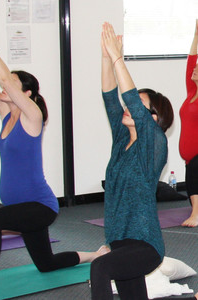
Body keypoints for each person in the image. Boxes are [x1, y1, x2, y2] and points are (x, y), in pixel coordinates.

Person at [0, 13, 110, 300]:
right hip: (20, 207)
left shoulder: (33, 116)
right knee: (47, 264)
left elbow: (2, 77)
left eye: (13, 85)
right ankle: (95, 254)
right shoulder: (6, 116)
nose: (5, 87)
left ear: (25, 93)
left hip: (39, 205)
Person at [90, 22, 198, 300]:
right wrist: (105, 57)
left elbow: (131, 103)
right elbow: (111, 98)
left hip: (144, 244)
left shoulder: (155, 144)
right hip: (118, 240)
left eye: (138, 106)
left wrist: (118, 59)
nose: (129, 108)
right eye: (131, 104)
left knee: (100, 268)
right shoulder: (120, 141)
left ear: (153, 118)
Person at [179, 19, 198, 228]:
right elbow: (191, 61)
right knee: (192, 189)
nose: (194, 69)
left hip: (196, 159)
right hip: (189, 158)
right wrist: (196, 35)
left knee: (194, 171)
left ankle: (196, 214)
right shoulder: (192, 92)